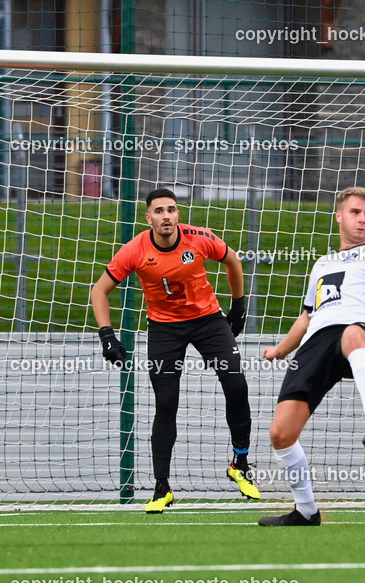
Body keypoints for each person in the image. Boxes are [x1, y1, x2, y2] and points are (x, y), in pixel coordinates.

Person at [90, 188, 258, 513]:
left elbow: (232, 259)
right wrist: (106, 335)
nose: (166, 215)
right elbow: (99, 291)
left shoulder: (198, 238)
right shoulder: (134, 250)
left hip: (208, 320)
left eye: (171, 209)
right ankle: (161, 488)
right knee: (166, 405)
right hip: (164, 329)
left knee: (236, 384)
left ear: (178, 214)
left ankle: (240, 463)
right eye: (159, 211)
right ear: (148, 218)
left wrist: (238, 307)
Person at [257, 186, 365, 527]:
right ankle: (306, 511)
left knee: (353, 333)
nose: (362, 220)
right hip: (315, 343)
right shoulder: (321, 264)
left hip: (354, 333)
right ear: (339, 216)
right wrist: (280, 350)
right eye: (356, 212)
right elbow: (307, 316)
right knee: (280, 433)